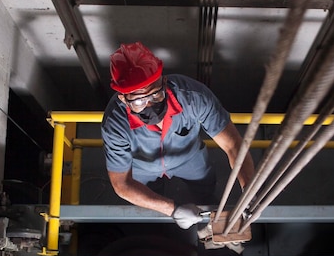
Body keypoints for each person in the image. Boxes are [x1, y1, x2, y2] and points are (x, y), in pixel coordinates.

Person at [101, 42, 255, 229]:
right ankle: (156, 225)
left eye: (156, 95)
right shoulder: (115, 122)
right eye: (139, 101)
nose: (150, 105)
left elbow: (233, 145)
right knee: (148, 198)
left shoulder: (194, 98)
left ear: (164, 82)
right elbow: (122, 183)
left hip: (189, 159)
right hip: (142, 168)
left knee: (205, 188)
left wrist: (249, 189)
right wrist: (172, 209)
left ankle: (206, 213)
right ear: (123, 99)